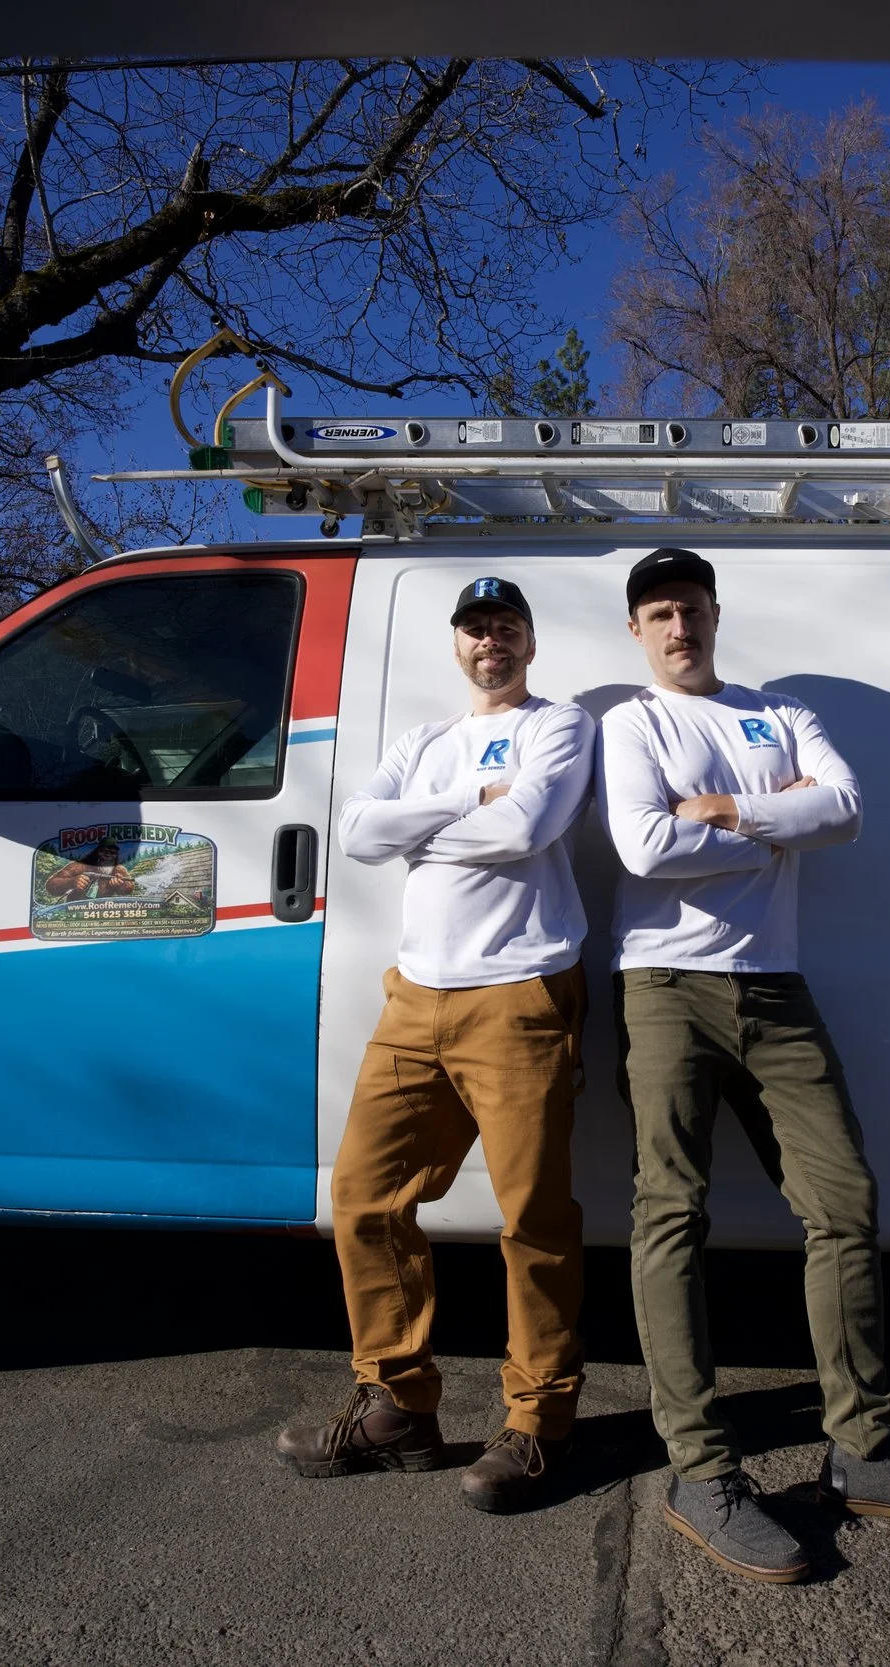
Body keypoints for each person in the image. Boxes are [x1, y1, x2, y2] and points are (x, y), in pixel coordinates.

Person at [601, 547, 890, 1583]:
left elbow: (850, 810)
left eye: (689, 607)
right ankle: (698, 1467)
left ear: (715, 614)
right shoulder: (631, 723)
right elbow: (643, 846)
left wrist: (727, 813)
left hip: (776, 987)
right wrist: (781, 823)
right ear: (637, 632)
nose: (677, 625)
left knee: (844, 1202)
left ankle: (863, 1451)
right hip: (666, 984)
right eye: (657, 613)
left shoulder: (774, 715)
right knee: (670, 1212)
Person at [276, 576, 596, 1514]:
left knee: (532, 1216)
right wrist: (468, 799)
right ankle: (396, 1406)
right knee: (364, 1197)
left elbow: (528, 826)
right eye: (474, 627)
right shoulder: (425, 741)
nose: (489, 640)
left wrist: (431, 827)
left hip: (520, 995)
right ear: (457, 647)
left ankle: (540, 1421)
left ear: (530, 642)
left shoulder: (560, 727)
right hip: (415, 997)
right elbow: (358, 833)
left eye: (505, 626)